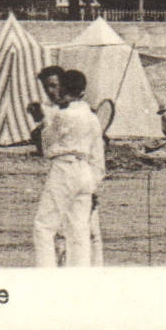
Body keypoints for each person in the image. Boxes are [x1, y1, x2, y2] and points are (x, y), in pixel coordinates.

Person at [33, 70, 104, 268]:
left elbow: (46, 147)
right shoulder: (91, 117)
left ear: (63, 88)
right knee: (79, 229)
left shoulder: (62, 115)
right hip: (86, 171)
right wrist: (94, 180)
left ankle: (46, 274)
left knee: (44, 226)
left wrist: (42, 122)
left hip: (63, 168)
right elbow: (98, 154)